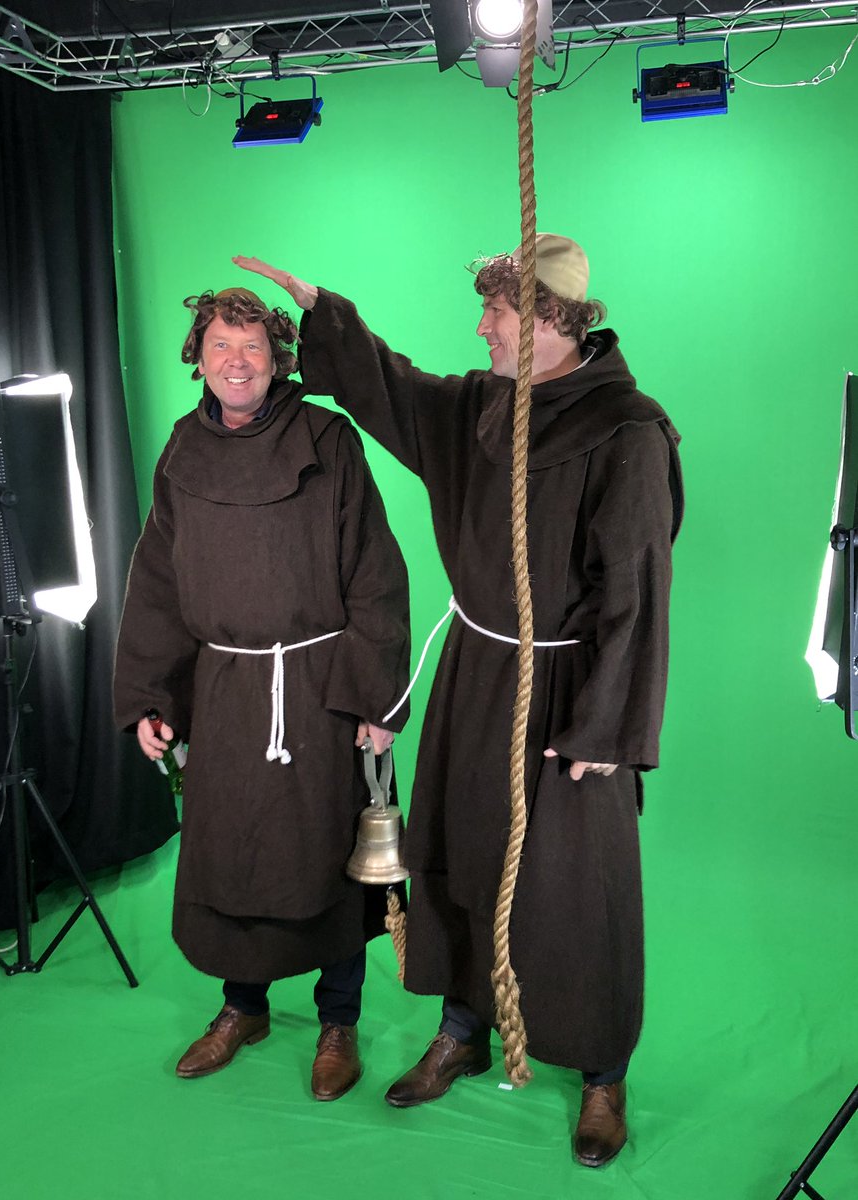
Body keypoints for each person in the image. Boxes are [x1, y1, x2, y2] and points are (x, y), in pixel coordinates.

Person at [233, 235, 683, 1167]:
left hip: (571, 687)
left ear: (552, 318)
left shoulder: (628, 430)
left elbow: (637, 589)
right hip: (480, 667)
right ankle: (465, 1026)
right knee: (459, 846)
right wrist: (324, 313)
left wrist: (608, 724)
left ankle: (602, 1071)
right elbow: (394, 389)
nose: (482, 328)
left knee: (579, 883)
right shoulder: (482, 408)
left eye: (498, 312)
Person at [114, 285, 410, 1102]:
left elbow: (375, 574)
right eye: (220, 345)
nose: (236, 362)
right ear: (198, 358)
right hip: (225, 691)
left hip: (319, 688)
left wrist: (375, 698)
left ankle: (339, 1020)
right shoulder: (183, 450)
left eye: (252, 347)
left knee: (329, 854)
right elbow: (159, 584)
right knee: (231, 850)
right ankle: (242, 1007)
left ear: (279, 360)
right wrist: (151, 696)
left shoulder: (327, 438)